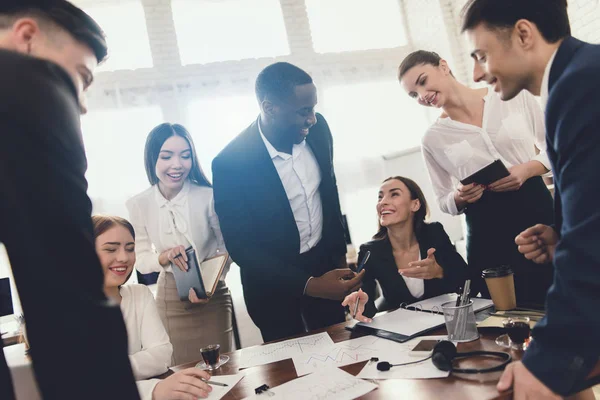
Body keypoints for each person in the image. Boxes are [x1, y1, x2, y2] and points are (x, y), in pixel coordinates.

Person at [461, 0, 600, 399]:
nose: (477, 73)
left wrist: (546, 363)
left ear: (524, 34)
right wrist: (562, 235)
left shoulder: (579, 85)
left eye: (482, 55)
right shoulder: (580, 76)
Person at [0, 2, 139, 399]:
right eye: (80, 77)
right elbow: (68, 302)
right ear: (26, 38)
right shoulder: (27, 88)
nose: (80, 103)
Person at [212, 62, 364, 342]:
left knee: (343, 354)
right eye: (304, 111)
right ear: (270, 108)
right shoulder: (230, 163)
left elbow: (329, 197)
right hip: (272, 287)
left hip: (326, 271)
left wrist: (339, 262)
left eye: (314, 108)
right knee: (291, 375)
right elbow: (241, 247)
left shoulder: (319, 131)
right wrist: (309, 285)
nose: (313, 119)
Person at [397, 49, 554, 308]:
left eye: (422, 81)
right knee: (502, 311)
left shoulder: (513, 96)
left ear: (443, 66)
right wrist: (458, 197)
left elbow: (554, 148)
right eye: (414, 94)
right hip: (487, 228)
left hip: (536, 212)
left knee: (560, 294)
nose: (422, 96)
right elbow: (442, 200)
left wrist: (528, 169)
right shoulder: (433, 138)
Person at [127, 123, 233, 365]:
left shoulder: (208, 195)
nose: (177, 164)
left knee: (221, 367)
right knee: (180, 372)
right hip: (170, 299)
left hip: (213, 295)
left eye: (185, 156)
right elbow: (141, 260)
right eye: (167, 156)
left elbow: (226, 247)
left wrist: (212, 283)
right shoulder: (139, 204)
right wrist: (162, 257)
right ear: (152, 158)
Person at [92, 215, 214, 400]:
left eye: (130, 249)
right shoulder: (64, 309)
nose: (124, 257)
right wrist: (153, 390)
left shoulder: (139, 294)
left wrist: (110, 370)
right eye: (111, 249)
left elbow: (162, 354)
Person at [342, 177, 468, 321]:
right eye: (380, 197)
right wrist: (360, 305)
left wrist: (439, 272)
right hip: (402, 330)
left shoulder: (434, 234)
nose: (382, 202)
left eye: (394, 194)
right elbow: (365, 305)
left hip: (444, 323)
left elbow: (468, 283)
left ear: (415, 204)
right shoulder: (370, 251)